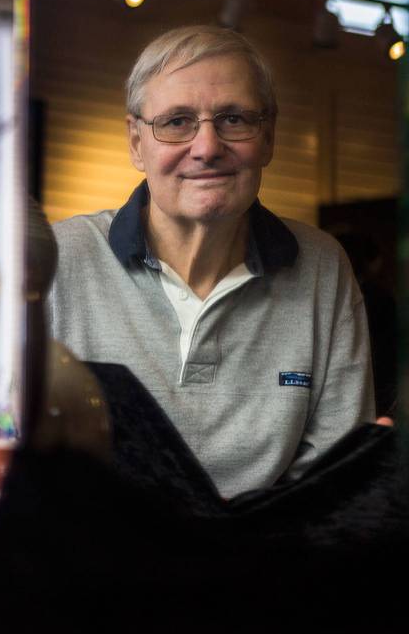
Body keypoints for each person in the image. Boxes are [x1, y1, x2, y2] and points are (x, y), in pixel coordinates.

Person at [47, 25, 376, 499]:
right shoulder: (60, 259)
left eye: (234, 119)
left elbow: (335, 482)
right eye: (176, 122)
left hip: (268, 546)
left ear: (268, 137)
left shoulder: (322, 267)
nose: (206, 148)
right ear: (136, 142)